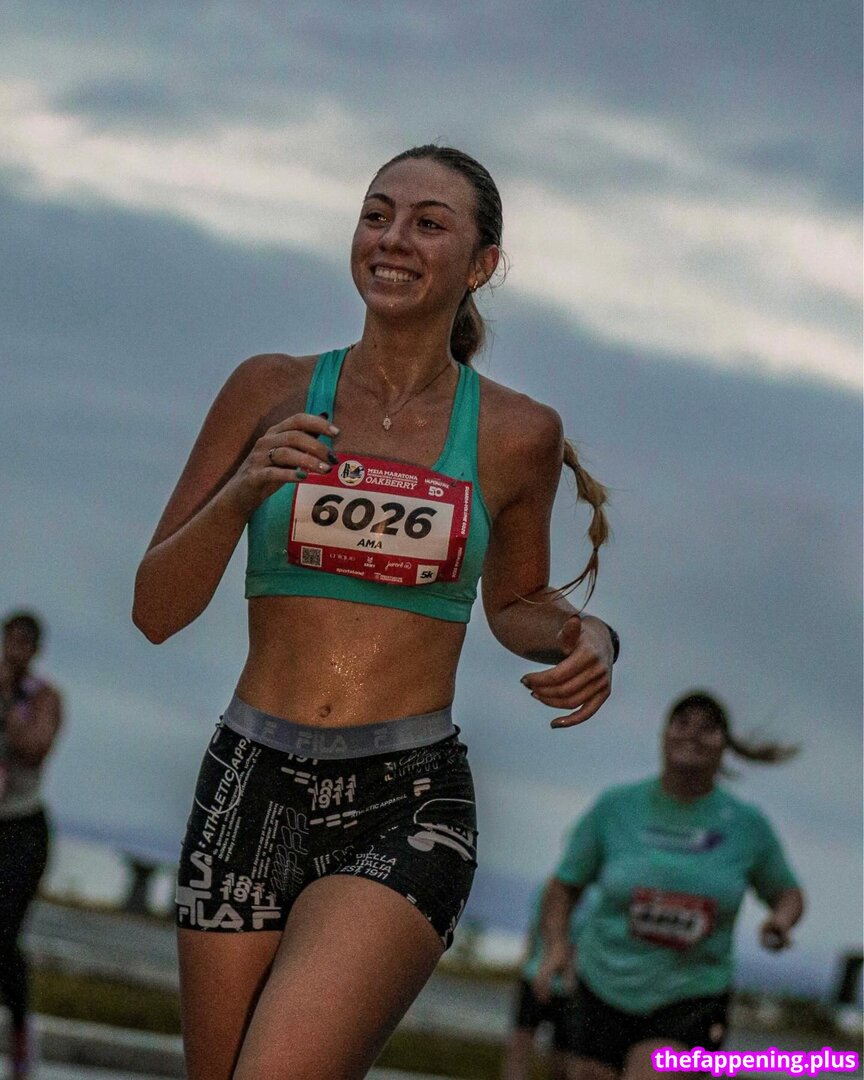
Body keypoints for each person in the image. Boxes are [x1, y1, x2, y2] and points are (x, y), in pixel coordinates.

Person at [133, 143, 619, 1080]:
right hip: (247, 782)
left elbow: (516, 603)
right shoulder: (270, 389)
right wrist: (243, 490)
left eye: (429, 224)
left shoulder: (518, 433)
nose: (392, 238)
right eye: (376, 214)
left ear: (481, 264)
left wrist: (586, 633)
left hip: (407, 797)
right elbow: (155, 609)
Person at [535, 691, 804, 1080]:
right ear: (663, 735)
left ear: (725, 746)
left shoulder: (747, 825)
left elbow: (788, 894)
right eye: (682, 723)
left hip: (691, 994)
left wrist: (781, 920)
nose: (693, 734)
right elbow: (564, 886)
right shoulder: (616, 807)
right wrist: (556, 947)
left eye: (708, 727)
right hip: (603, 984)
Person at [0, 611, 63, 1080]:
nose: (14, 649)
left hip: (23, 828)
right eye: (9, 639)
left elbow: (34, 748)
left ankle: (22, 1033)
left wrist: (8, 700)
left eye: (24, 643)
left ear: (35, 650)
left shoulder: (44, 697)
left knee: (4, 935)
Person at [501, 886, 592, 1080]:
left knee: (562, 1060)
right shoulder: (546, 891)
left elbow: (584, 944)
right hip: (535, 978)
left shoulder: (594, 897)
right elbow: (534, 932)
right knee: (519, 1047)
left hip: (569, 987)